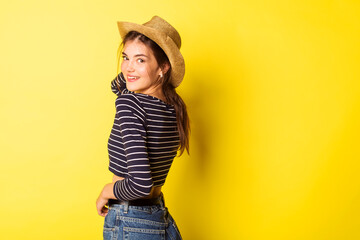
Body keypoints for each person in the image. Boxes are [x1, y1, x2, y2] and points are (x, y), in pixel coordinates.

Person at [96, 15, 190, 240]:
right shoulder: (172, 107)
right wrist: (138, 69)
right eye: (125, 57)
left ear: (163, 67)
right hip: (157, 214)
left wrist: (105, 192)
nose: (128, 67)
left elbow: (140, 184)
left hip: (130, 219)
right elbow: (117, 85)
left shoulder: (130, 104)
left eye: (140, 60)